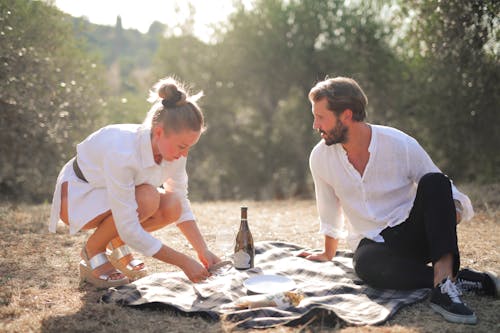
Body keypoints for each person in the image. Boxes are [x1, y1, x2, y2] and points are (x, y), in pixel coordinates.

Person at [299, 76, 499, 325]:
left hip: (414, 234)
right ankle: (451, 280)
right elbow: (329, 208)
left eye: (321, 117)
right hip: (374, 245)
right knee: (366, 265)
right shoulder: (320, 157)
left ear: (346, 115)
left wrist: (443, 217)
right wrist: (327, 254)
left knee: (436, 181)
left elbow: (449, 194)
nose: (315, 125)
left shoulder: (399, 143)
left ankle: (445, 288)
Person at [49, 76, 221, 288]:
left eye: (189, 147)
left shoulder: (175, 154)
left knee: (173, 204)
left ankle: (116, 243)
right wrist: (183, 262)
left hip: (115, 199)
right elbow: (130, 226)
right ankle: (92, 251)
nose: (184, 154)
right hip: (79, 197)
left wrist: (202, 250)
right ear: (159, 132)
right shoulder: (122, 152)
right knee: (148, 197)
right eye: (181, 146)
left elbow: (181, 203)